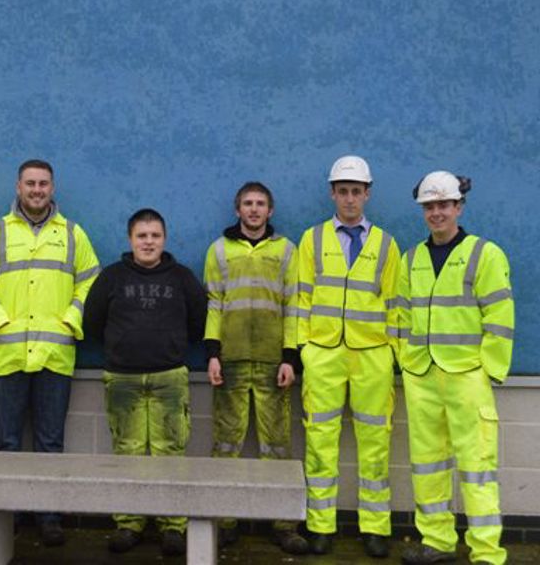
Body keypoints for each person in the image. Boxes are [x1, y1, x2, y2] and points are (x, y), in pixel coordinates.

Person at [0, 159, 100, 546]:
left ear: (53, 188)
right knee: (6, 441)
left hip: (55, 355)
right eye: (30, 183)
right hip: (7, 354)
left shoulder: (71, 234)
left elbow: (90, 280)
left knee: (50, 441)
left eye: (43, 184)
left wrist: (70, 320)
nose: (37, 190)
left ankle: (48, 514)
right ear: (18, 187)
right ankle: (9, 514)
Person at [397, 172, 513, 565]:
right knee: (427, 465)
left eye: (444, 204)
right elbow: (399, 314)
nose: (436, 212)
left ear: (459, 206)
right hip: (421, 376)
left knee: (477, 465)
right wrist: (406, 361)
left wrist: (489, 371)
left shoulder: (486, 254)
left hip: (467, 376)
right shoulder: (410, 259)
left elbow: (500, 316)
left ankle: (486, 552)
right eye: (430, 206)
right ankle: (437, 542)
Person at [83, 208, 206, 557]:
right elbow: (92, 323)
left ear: (164, 239)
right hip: (122, 378)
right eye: (142, 236)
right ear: (130, 239)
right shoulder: (111, 278)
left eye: (154, 236)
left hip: (170, 377)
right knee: (128, 451)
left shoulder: (182, 277)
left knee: (171, 450)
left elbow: (199, 323)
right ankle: (129, 523)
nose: (148, 242)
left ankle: (173, 526)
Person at [297, 155, 400, 558]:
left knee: (375, 442)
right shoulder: (313, 239)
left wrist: (392, 351)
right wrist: (304, 348)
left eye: (357, 191)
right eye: (343, 191)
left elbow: (395, 304)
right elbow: (301, 299)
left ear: (368, 194)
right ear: (332, 194)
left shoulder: (386, 244)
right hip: (323, 353)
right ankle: (320, 525)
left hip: (372, 354)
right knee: (320, 441)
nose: (350, 199)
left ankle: (375, 526)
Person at [203, 182, 309, 554]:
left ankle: (283, 523)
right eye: (247, 203)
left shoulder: (286, 250)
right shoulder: (218, 250)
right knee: (226, 443)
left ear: (270, 210)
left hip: (271, 361)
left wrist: (290, 357)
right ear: (237, 209)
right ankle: (223, 520)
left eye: (260, 204)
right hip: (230, 359)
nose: (253, 209)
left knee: (276, 444)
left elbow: (295, 306)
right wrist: (212, 353)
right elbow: (214, 304)